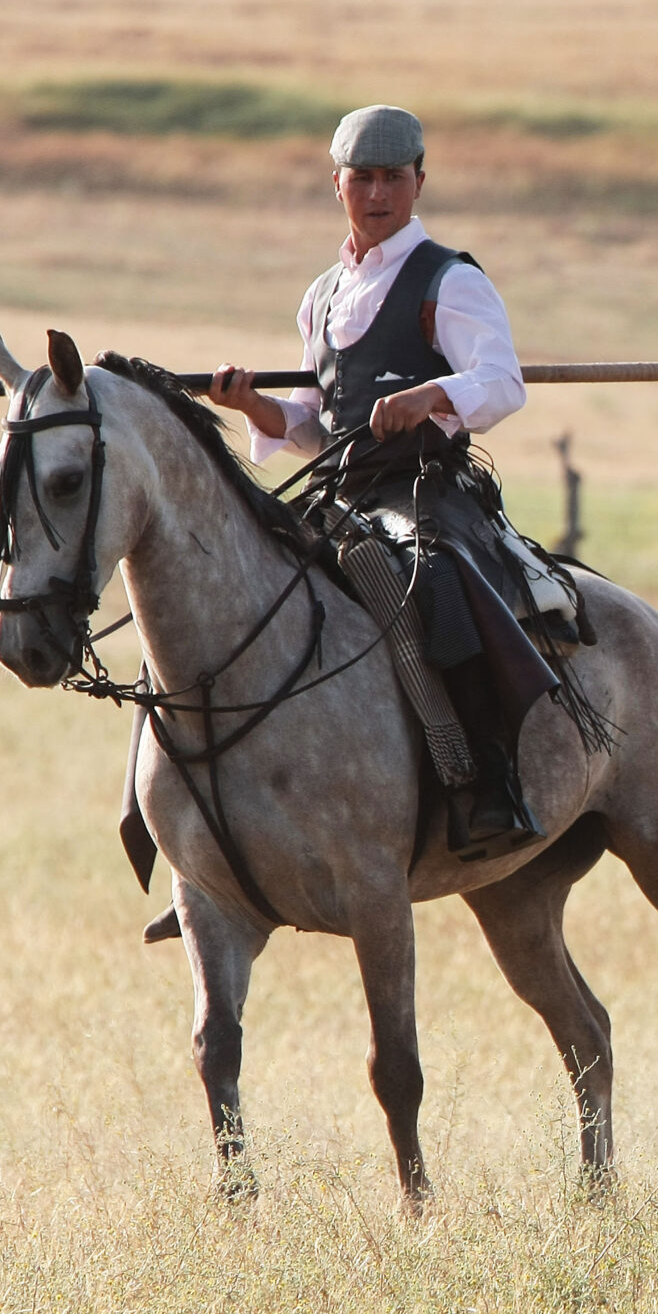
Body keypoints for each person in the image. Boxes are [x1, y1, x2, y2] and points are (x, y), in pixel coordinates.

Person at [208, 104, 549, 859]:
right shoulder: (322, 294)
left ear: (419, 181)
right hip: (339, 495)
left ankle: (480, 774)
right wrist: (250, 404)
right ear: (338, 185)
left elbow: (501, 383)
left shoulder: (448, 280)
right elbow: (308, 426)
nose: (378, 192)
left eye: (393, 177)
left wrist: (431, 395)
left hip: (426, 493)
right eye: (362, 177)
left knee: (425, 583)